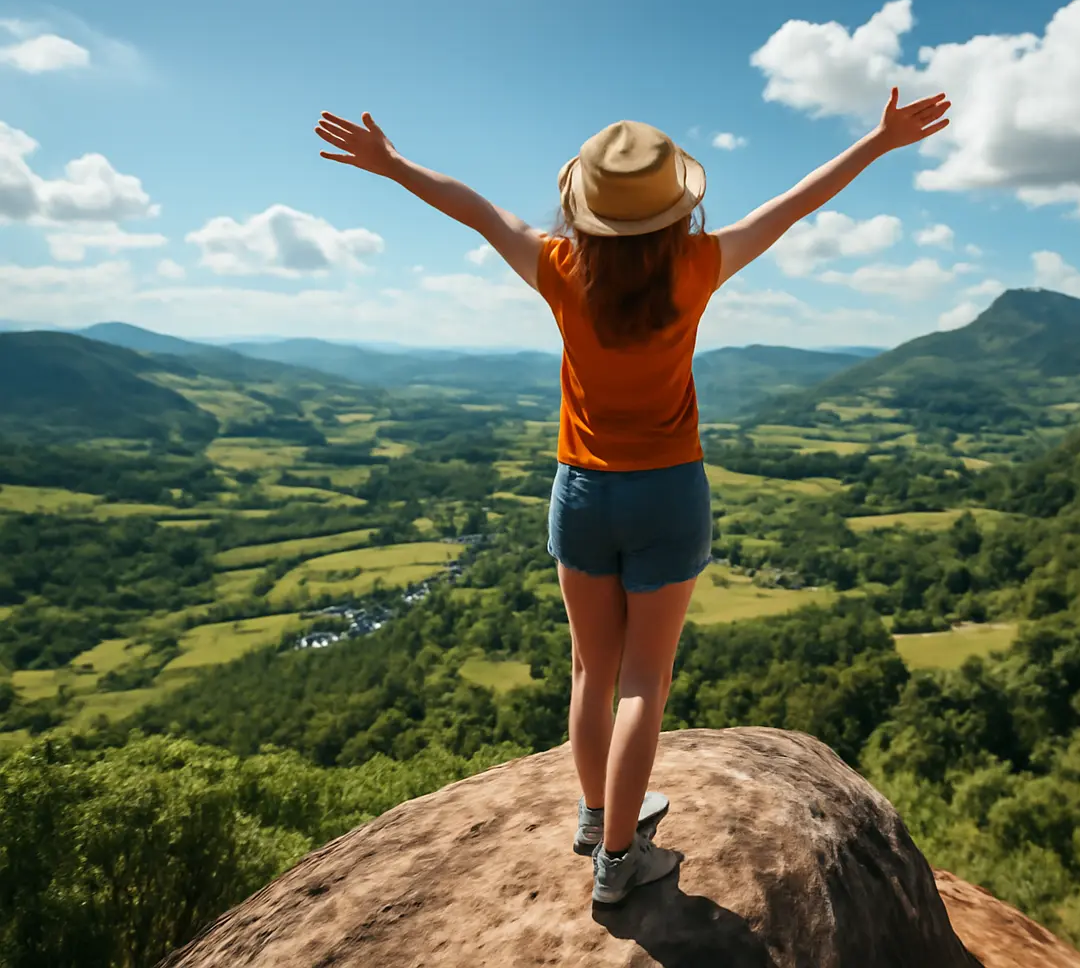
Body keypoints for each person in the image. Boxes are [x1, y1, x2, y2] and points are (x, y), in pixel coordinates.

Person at [313, 88, 951, 903]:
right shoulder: (697, 266)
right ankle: (619, 859)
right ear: (673, 209)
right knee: (644, 682)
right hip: (669, 496)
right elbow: (795, 204)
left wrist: (392, 163)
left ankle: (596, 819)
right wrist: (878, 140)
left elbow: (474, 210)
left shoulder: (558, 266)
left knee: (590, 670)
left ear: (585, 208)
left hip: (581, 492)